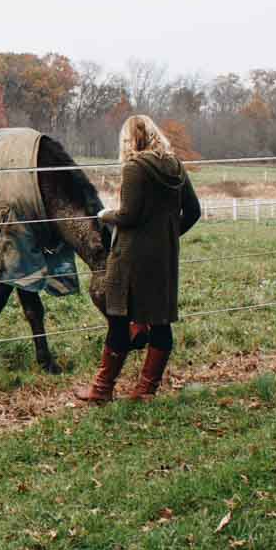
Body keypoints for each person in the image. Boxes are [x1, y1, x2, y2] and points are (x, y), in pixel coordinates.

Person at [76, 114, 201, 403]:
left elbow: (128, 216)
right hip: (163, 258)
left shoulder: (135, 167)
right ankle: (146, 391)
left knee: (119, 319)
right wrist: (166, 239)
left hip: (130, 259)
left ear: (129, 140)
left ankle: (101, 390)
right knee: (160, 321)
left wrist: (104, 214)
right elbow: (193, 211)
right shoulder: (175, 165)